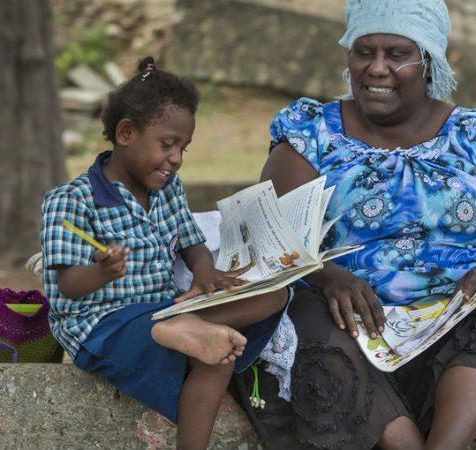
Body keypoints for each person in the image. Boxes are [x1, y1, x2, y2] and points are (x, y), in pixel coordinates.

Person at [238, 1, 476, 448]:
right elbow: (270, 235)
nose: (376, 69)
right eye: (364, 52)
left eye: (397, 54)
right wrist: (328, 277)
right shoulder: (312, 132)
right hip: (342, 322)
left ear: (428, 62)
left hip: (450, 318)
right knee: (299, 317)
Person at [40, 57, 289, 450]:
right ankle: (173, 328)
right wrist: (102, 271)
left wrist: (207, 274)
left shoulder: (168, 190)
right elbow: (69, 286)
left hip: (166, 310)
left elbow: (192, 243)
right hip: (101, 326)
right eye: (168, 144)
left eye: (184, 148)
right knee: (198, 340)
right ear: (126, 133)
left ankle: (185, 330)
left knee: (250, 319)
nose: (176, 158)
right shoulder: (71, 199)